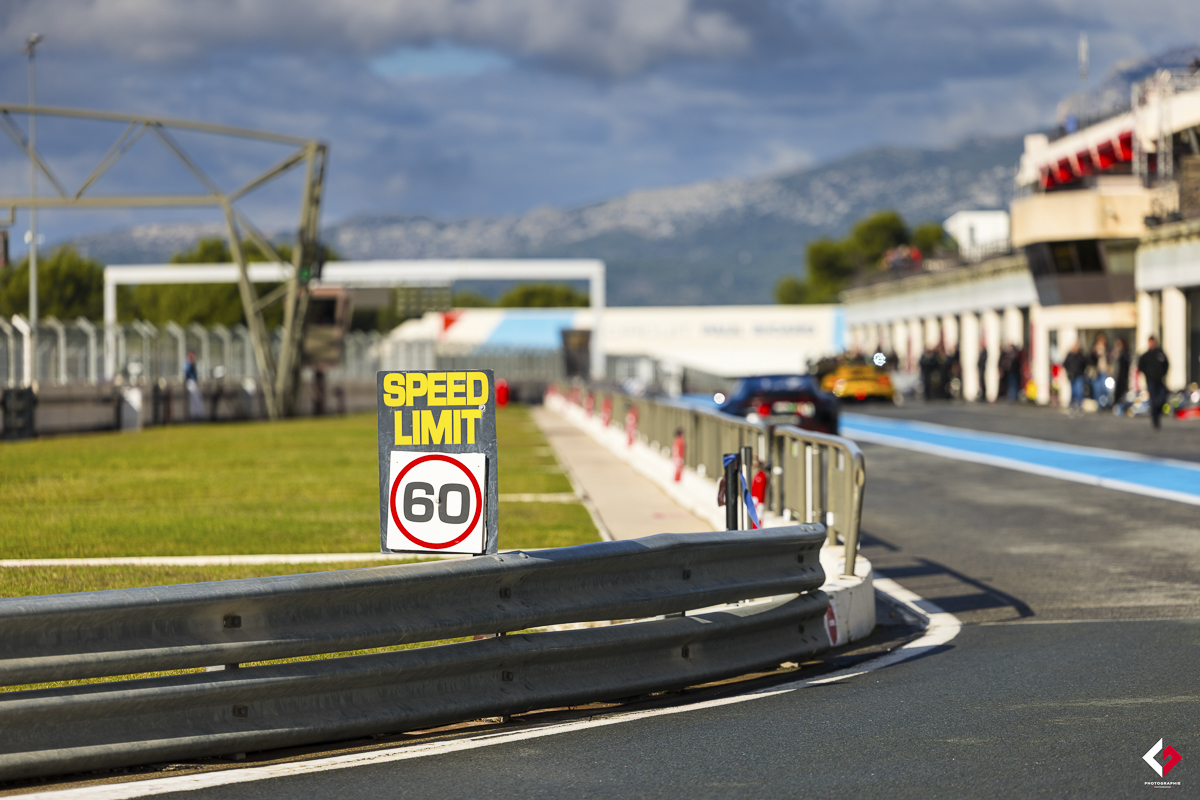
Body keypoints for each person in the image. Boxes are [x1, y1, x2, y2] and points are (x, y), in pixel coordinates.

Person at [1137, 336, 1170, 429]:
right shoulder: (1146, 356)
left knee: (1163, 398)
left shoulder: (1160, 354)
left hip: (1160, 380)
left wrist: (1163, 374)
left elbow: (1166, 364)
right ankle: (1155, 419)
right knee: (1154, 400)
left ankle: (1158, 414)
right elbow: (1140, 366)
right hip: (1151, 381)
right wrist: (1148, 374)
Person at [1063, 341, 1087, 412]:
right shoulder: (1070, 355)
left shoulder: (1080, 355)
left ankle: (1079, 405)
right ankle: (1072, 405)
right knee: (1073, 391)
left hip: (1079, 376)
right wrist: (1069, 371)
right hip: (1072, 376)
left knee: (1079, 391)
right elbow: (1065, 364)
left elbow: (1085, 363)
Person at [1111, 337, 1131, 415]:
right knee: (1116, 392)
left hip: (1124, 376)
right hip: (1116, 376)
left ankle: (1123, 406)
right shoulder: (1115, 353)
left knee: (1123, 392)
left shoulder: (1126, 353)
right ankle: (1116, 406)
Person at [1091, 333, 1110, 408]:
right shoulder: (1094, 348)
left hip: (1105, 371)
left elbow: (1109, 359)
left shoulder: (1107, 349)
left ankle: (1105, 403)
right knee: (1097, 389)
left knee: (1105, 389)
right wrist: (1096, 353)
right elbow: (1091, 359)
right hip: (1097, 372)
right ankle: (1099, 404)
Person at [184, 350, 204, 421]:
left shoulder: (193, 363)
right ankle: (195, 415)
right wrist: (190, 362)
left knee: (197, 399)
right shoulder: (187, 363)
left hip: (194, 382)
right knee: (193, 399)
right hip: (190, 382)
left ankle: (198, 414)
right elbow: (186, 371)